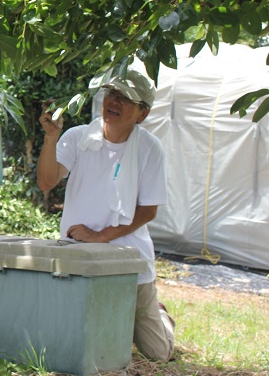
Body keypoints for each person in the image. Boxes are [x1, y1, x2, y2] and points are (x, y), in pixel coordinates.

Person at [36, 68, 175, 362]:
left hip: (130, 258)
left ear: (142, 113)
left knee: (158, 354)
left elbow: (148, 210)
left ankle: (161, 315)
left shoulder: (150, 148)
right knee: (78, 338)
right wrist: (51, 138)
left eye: (126, 98)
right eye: (112, 93)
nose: (114, 101)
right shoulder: (78, 137)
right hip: (79, 255)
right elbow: (47, 182)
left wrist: (100, 237)